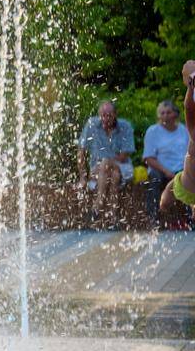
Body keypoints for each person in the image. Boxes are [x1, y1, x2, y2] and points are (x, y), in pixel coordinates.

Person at [77, 100, 134, 227]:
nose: (106, 118)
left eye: (109, 115)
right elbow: (81, 151)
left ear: (115, 114)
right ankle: (114, 219)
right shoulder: (92, 124)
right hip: (100, 170)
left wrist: (106, 162)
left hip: (123, 166)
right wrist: (82, 176)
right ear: (99, 114)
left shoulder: (125, 126)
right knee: (114, 176)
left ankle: (98, 205)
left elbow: (125, 155)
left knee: (105, 163)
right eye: (103, 115)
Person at [142, 99, 189, 228]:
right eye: (162, 113)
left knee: (190, 180)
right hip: (160, 170)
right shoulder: (153, 131)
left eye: (168, 112)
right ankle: (154, 220)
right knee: (155, 180)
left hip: (181, 169)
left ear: (175, 114)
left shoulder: (183, 130)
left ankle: (190, 220)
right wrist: (166, 171)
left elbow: (189, 154)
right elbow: (148, 158)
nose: (165, 116)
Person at [159, 61, 195, 221]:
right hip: (184, 183)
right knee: (166, 201)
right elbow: (188, 108)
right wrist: (190, 87)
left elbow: (189, 108)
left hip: (187, 184)